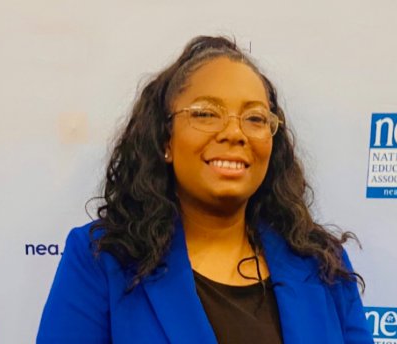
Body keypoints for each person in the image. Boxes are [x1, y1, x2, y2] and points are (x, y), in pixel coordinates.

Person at [37, 35, 374, 344]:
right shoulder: (101, 260)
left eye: (255, 118)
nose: (234, 133)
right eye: (206, 113)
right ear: (165, 140)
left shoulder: (322, 262)